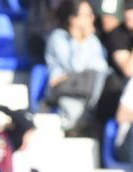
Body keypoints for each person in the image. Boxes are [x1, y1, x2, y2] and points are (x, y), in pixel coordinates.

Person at [44, 0, 110, 134]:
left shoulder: (93, 40)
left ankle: (85, 124)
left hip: (89, 93)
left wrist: (85, 40)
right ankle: (73, 127)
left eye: (91, 14)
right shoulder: (58, 38)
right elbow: (76, 68)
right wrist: (80, 41)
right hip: (66, 92)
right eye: (86, 15)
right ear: (73, 19)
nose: (91, 18)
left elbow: (101, 69)